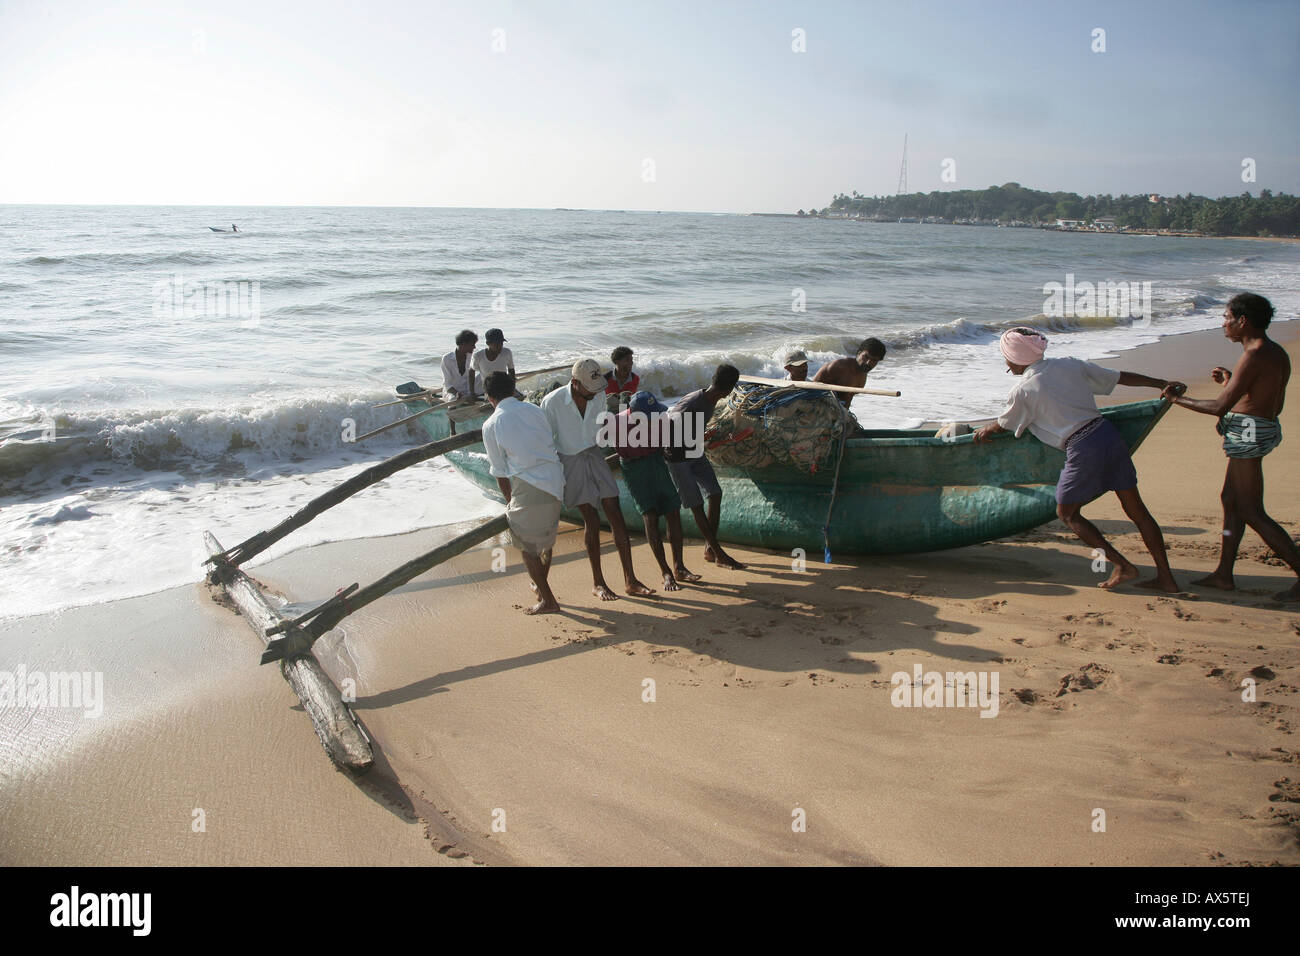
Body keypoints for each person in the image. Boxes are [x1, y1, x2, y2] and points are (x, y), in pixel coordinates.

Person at [973, 327, 1182, 592]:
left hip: (1083, 447)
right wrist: (1160, 383)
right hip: (1107, 435)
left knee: (1067, 513)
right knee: (1137, 511)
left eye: (1005, 357)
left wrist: (984, 431)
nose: (1005, 362)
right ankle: (1167, 578)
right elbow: (1118, 377)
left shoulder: (1023, 390)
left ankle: (1122, 566)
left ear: (1013, 358)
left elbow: (1004, 424)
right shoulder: (1068, 365)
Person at [1162, 292, 1299, 601]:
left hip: (1249, 433)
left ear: (1243, 321)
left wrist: (1175, 398)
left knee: (1251, 509)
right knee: (1231, 500)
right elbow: (1265, 398)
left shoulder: (1254, 354)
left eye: (1226, 318)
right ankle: (1224, 574)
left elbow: (1219, 407)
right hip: (1258, 428)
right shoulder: (1273, 351)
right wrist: (1230, 380)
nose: (1223, 324)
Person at [541, 358, 656, 600]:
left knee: (614, 510)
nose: (595, 392)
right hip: (569, 459)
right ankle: (598, 583)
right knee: (591, 519)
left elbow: (600, 430)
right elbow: (545, 440)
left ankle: (630, 580)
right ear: (574, 383)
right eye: (589, 388)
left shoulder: (599, 395)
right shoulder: (552, 403)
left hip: (593, 453)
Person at [480, 371, 564, 615]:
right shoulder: (535, 410)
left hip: (530, 483)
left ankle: (548, 600)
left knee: (527, 547)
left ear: (489, 397)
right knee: (546, 541)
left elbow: (499, 471)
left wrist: (510, 503)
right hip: (556, 478)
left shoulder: (491, 424)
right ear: (513, 389)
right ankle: (541, 589)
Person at [615, 391, 701, 591]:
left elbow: (668, 440)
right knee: (650, 515)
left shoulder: (660, 418)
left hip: (655, 459)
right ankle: (666, 572)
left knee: (673, 510)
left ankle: (679, 567)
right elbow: (622, 454)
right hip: (634, 467)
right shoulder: (618, 425)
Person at [665, 364, 745, 570]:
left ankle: (711, 549)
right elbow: (670, 430)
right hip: (677, 456)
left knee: (715, 493)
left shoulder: (711, 399)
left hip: (693, 450)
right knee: (696, 504)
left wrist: (703, 437)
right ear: (728, 390)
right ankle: (719, 554)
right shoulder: (694, 402)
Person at [813, 338, 886, 407]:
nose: (868, 363)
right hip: (817, 408)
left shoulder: (863, 374)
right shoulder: (838, 366)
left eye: (874, 360)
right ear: (859, 353)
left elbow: (847, 400)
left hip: (837, 411)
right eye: (866, 357)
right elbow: (811, 387)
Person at [440, 329, 479, 401]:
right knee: (452, 398)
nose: (474, 347)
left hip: (467, 389)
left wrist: (471, 393)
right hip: (452, 392)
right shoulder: (447, 358)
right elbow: (447, 384)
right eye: (472, 344)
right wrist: (459, 395)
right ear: (464, 344)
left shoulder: (472, 357)